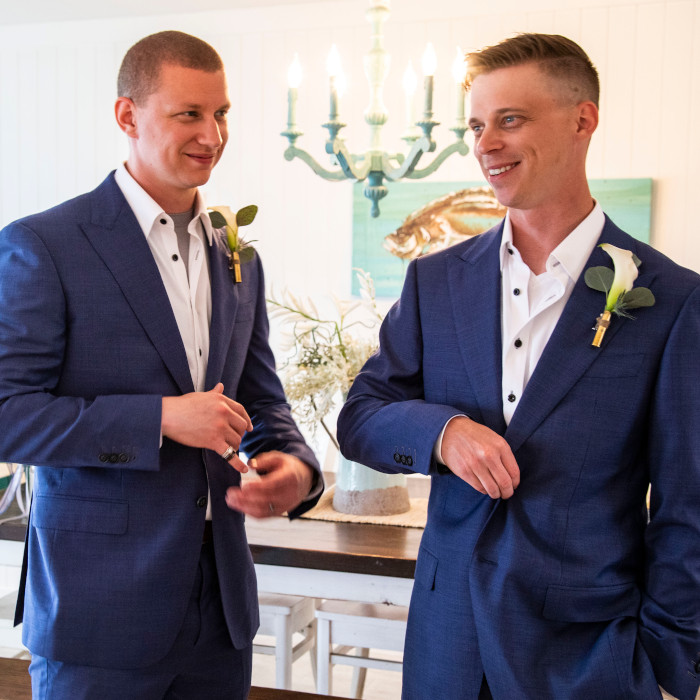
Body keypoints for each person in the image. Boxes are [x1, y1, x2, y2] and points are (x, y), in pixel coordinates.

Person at [337, 33, 699, 700]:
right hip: (447, 647)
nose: (485, 145)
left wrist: (666, 665)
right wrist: (441, 432)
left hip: (591, 658)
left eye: (510, 120)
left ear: (583, 120)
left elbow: (688, 507)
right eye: (476, 125)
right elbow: (361, 417)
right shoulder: (434, 282)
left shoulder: (674, 299)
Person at [0, 30, 322, 699]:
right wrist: (161, 419)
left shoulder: (240, 258)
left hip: (221, 612)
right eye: (189, 114)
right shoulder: (44, 245)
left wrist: (293, 466)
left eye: (222, 113)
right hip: (98, 614)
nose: (213, 133)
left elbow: (260, 401)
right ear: (128, 116)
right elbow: (7, 415)